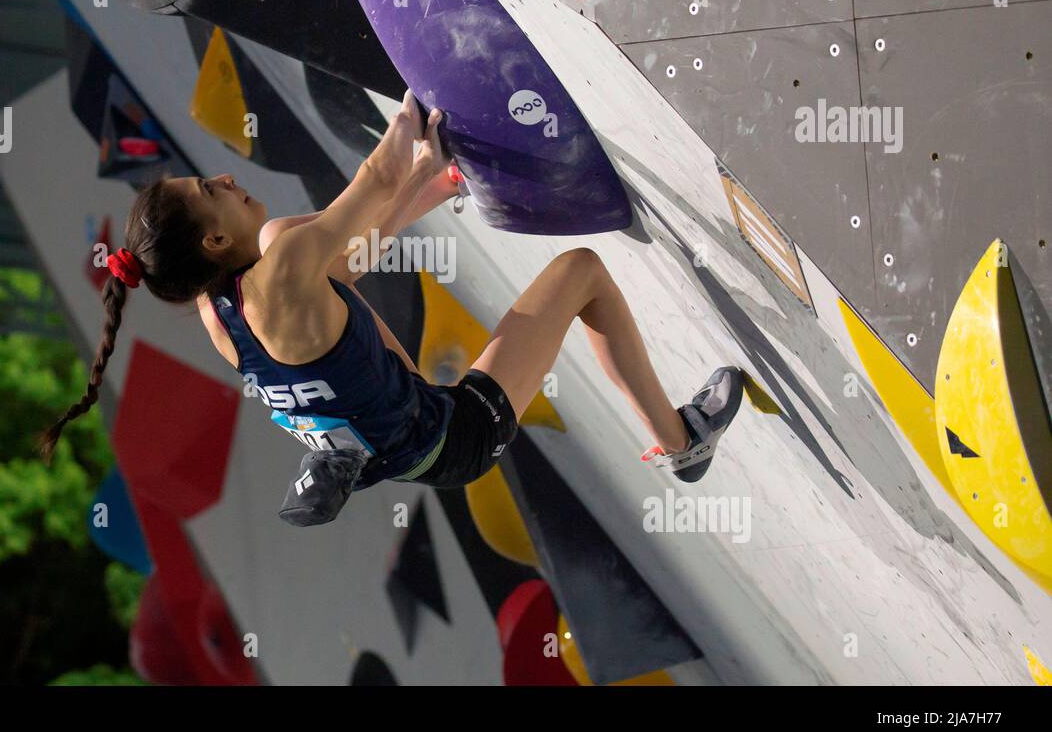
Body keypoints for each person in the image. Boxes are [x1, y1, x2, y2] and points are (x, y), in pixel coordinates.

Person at [40, 91, 742, 521]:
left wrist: (430, 185)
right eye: (210, 187)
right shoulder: (282, 256)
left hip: (412, 444)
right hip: (456, 433)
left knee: (341, 284)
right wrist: (420, 87)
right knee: (582, 271)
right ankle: (683, 445)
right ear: (216, 235)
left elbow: (346, 259)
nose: (224, 175)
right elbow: (373, 181)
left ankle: (349, 450)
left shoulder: (220, 316)